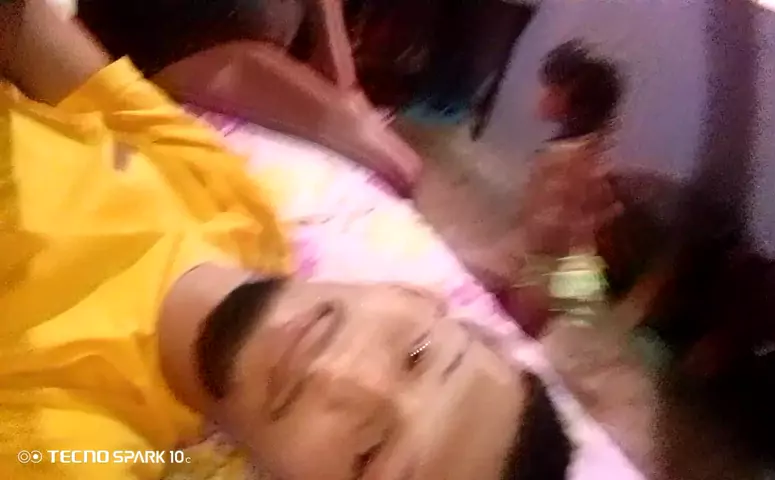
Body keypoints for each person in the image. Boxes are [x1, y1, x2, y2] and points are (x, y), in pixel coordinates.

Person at [0, 1, 571, 478]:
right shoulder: (244, 217)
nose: (347, 377)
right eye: (416, 357)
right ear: (412, 295)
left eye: (368, 457)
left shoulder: (75, 447)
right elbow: (32, 35)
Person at [76, 0, 421, 196]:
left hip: (224, 54)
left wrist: (339, 67)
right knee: (396, 165)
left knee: (394, 164)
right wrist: (344, 111)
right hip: (174, 56)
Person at [466, 40, 625, 336]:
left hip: (540, 282)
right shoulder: (584, 152)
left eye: (552, 90)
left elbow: (545, 240)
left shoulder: (567, 162)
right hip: (548, 272)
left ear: (572, 101)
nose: (541, 96)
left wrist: (500, 274)